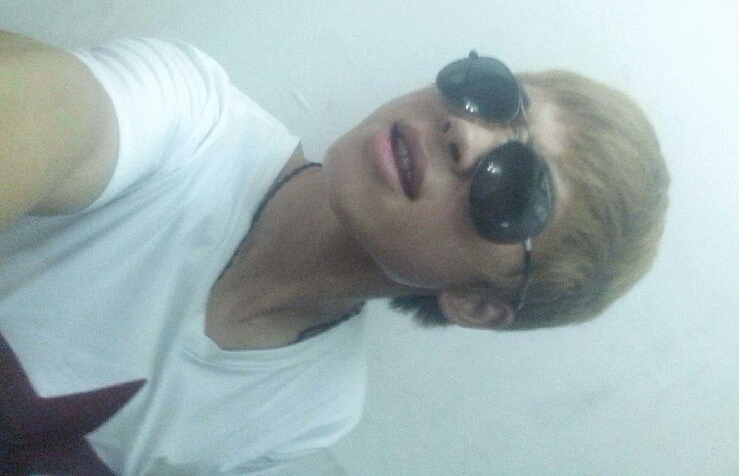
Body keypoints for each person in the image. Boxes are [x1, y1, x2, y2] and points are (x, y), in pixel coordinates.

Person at [0, 31, 669, 474]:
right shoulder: (188, 114)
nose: (464, 131)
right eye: (493, 95)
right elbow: (45, 108)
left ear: (477, 302)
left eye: (517, 189)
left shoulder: (311, 410)